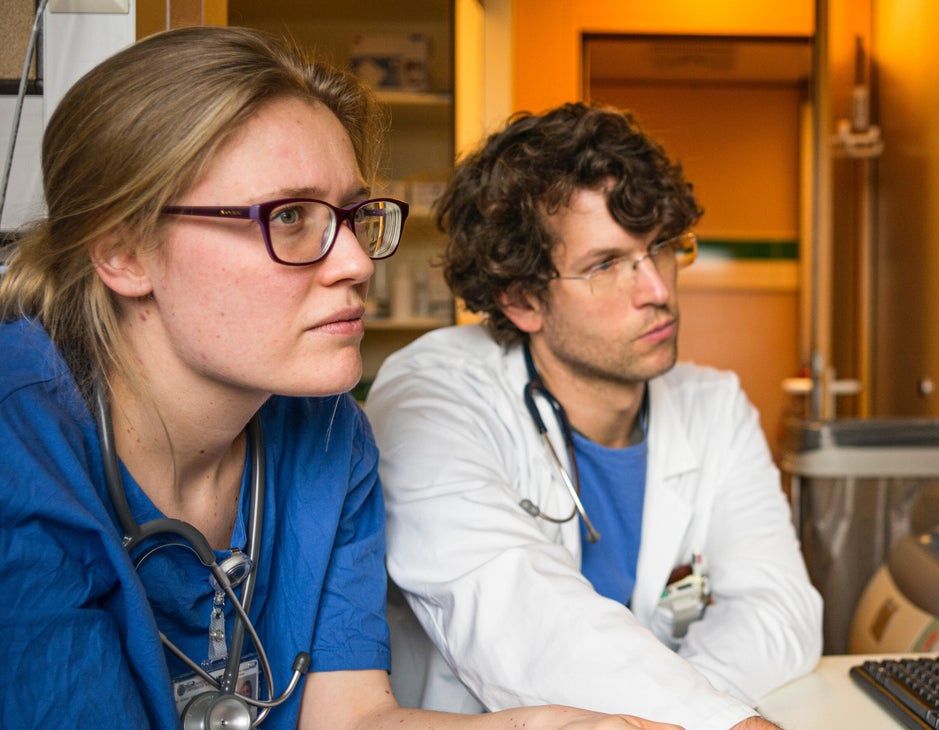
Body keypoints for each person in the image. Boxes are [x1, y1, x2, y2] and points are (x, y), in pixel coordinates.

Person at [0, 27, 678, 730]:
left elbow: (350, 718)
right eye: (290, 217)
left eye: (354, 215)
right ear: (124, 252)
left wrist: (529, 727)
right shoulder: (18, 448)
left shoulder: (330, 432)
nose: (356, 261)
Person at [364, 102, 823, 730]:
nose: (657, 290)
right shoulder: (432, 396)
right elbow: (516, 608)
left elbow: (780, 608)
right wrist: (717, 721)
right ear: (522, 299)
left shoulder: (714, 406)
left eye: (659, 247)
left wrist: (695, 710)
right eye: (605, 265)